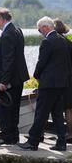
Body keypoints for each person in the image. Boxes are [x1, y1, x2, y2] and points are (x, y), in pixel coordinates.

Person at [18, 17, 71, 151]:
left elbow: (41, 62)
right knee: (58, 114)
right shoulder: (63, 41)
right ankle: (61, 142)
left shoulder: (47, 41)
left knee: (41, 113)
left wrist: (35, 76)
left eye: (39, 29)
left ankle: (32, 141)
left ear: (46, 27)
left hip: (48, 84)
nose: (39, 32)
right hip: (61, 83)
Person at [0, 7, 29, 146]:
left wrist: (3, 82)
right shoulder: (17, 30)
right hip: (17, 78)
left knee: (5, 110)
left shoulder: (7, 34)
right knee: (14, 108)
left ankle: (6, 137)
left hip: (9, 80)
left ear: (1, 18)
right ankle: (13, 136)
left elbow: (8, 59)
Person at [53, 18, 72, 143]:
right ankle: (70, 134)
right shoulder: (69, 43)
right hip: (70, 79)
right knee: (69, 108)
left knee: (54, 107)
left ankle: (62, 134)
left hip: (59, 80)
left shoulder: (54, 42)